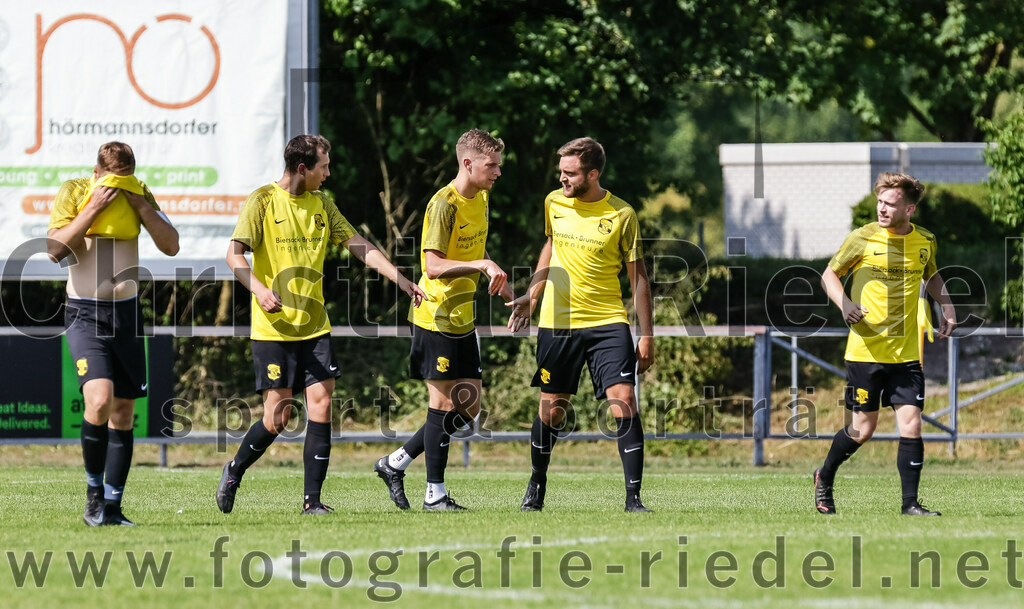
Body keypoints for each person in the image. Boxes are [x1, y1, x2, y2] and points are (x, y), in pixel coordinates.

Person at [216, 134, 425, 515]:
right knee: (277, 417)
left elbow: (359, 244)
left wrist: (400, 278)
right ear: (302, 168)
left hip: (315, 328)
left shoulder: (322, 205)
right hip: (274, 329)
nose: (328, 173)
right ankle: (234, 470)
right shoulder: (261, 200)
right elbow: (234, 255)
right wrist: (260, 290)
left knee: (322, 404)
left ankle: (312, 502)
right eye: (323, 166)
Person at [507, 136, 654, 512]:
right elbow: (551, 245)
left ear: (593, 173)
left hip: (608, 321)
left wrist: (647, 335)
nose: (563, 180)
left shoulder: (622, 214)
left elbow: (638, 278)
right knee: (552, 408)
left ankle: (633, 499)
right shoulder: (554, 203)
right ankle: (537, 482)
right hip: (557, 322)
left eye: (570, 173)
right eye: (561, 172)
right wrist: (533, 294)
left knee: (623, 401)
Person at [372, 129, 512, 511]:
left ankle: (395, 462)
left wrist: (503, 288)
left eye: (498, 164)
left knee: (469, 406)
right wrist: (482, 264)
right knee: (444, 404)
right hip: (434, 314)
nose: (498, 172)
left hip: (462, 317)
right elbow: (431, 266)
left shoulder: (482, 198)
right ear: (467, 163)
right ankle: (435, 495)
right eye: (491, 165)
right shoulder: (442, 204)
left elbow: (476, 248)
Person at [47, 141, 180, 526]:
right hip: (84, 313)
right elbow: (55, 250)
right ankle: (92, 493)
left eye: (126, 181)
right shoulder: (75, 192)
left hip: (126, 315)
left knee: (123, 412)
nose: (119, 188)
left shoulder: (140, 193)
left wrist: (138, 203)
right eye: (112, 182)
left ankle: (113, 506)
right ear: (96, 173)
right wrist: (94, 206)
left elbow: (171, 245)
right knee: (100, 400)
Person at [814, 172, 957, 516]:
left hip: (906, 354)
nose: (881, 209)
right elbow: (829, 274)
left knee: (911, 422)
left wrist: (948, 305)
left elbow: (931, 275)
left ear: (909, 209)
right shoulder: (862, 238)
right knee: (863, 429)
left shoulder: (925, 241)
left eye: (889, 204)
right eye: (879, 201)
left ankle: (910, 505)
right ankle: (825, 475)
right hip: (866, 353)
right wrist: (845, 303)